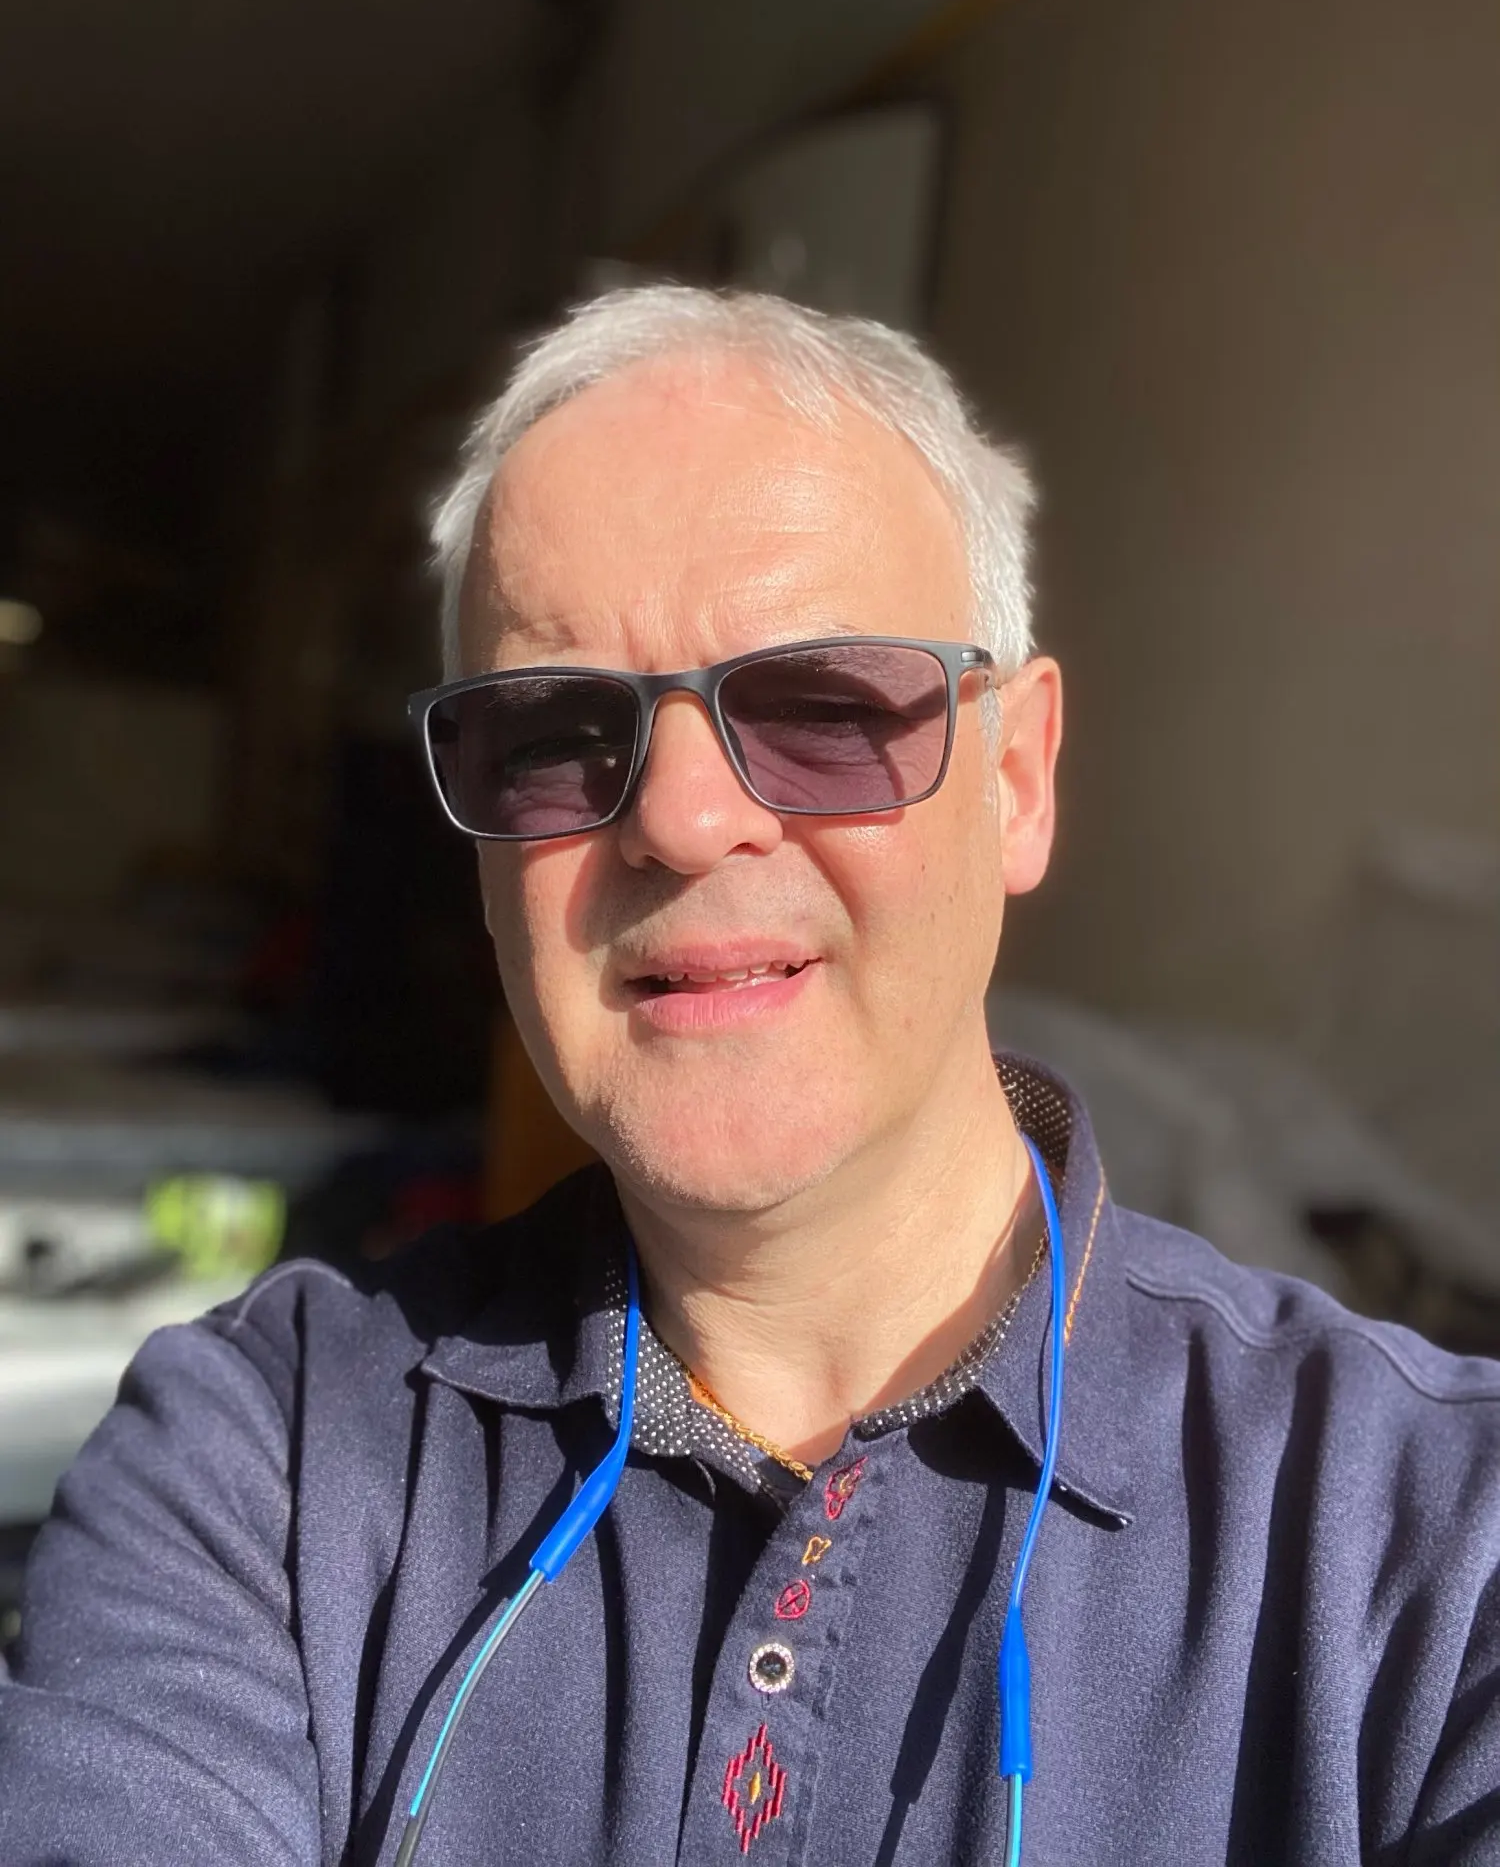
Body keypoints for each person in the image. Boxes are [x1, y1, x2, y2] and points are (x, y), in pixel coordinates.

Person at [2, 287, 1496, 1866]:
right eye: (556, 735)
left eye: (820, 708)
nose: (681, 819)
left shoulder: (1431, 1552)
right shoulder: (267, 1466)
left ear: (1016, 778)